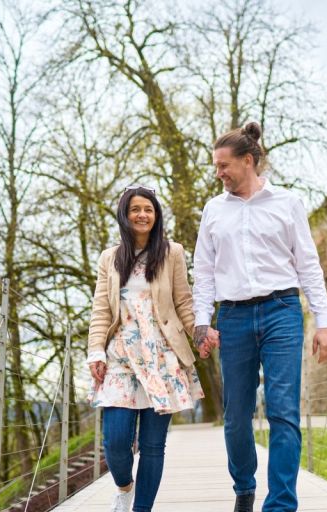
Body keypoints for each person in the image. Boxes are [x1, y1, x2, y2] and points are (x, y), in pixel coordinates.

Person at [192, 122, 327, 512]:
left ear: (249, 161)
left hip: (282, 312)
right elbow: (203, 272)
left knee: (282, 412)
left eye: (224, 165)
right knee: (236, 417)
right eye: (215, 166)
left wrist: (325, 323)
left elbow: (308, 265)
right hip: (233, 318)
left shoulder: (287, 203)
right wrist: (202, 322)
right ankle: (244, 486)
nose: (218, 173)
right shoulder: (213, 211)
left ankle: (281, 504)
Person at [86, 185, 219, 512]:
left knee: (152, 446)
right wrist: (95, 351)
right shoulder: (109, 258)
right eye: (135, 209)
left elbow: (183, 301)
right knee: (115, 441)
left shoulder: (172, 252)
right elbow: (101, 308)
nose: (142, 214)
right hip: (120, 358)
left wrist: (199, 333)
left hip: (163, 358)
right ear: (125, 215)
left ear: (156, 215)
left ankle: (141, 509)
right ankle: (124, 486)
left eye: (148, 209)